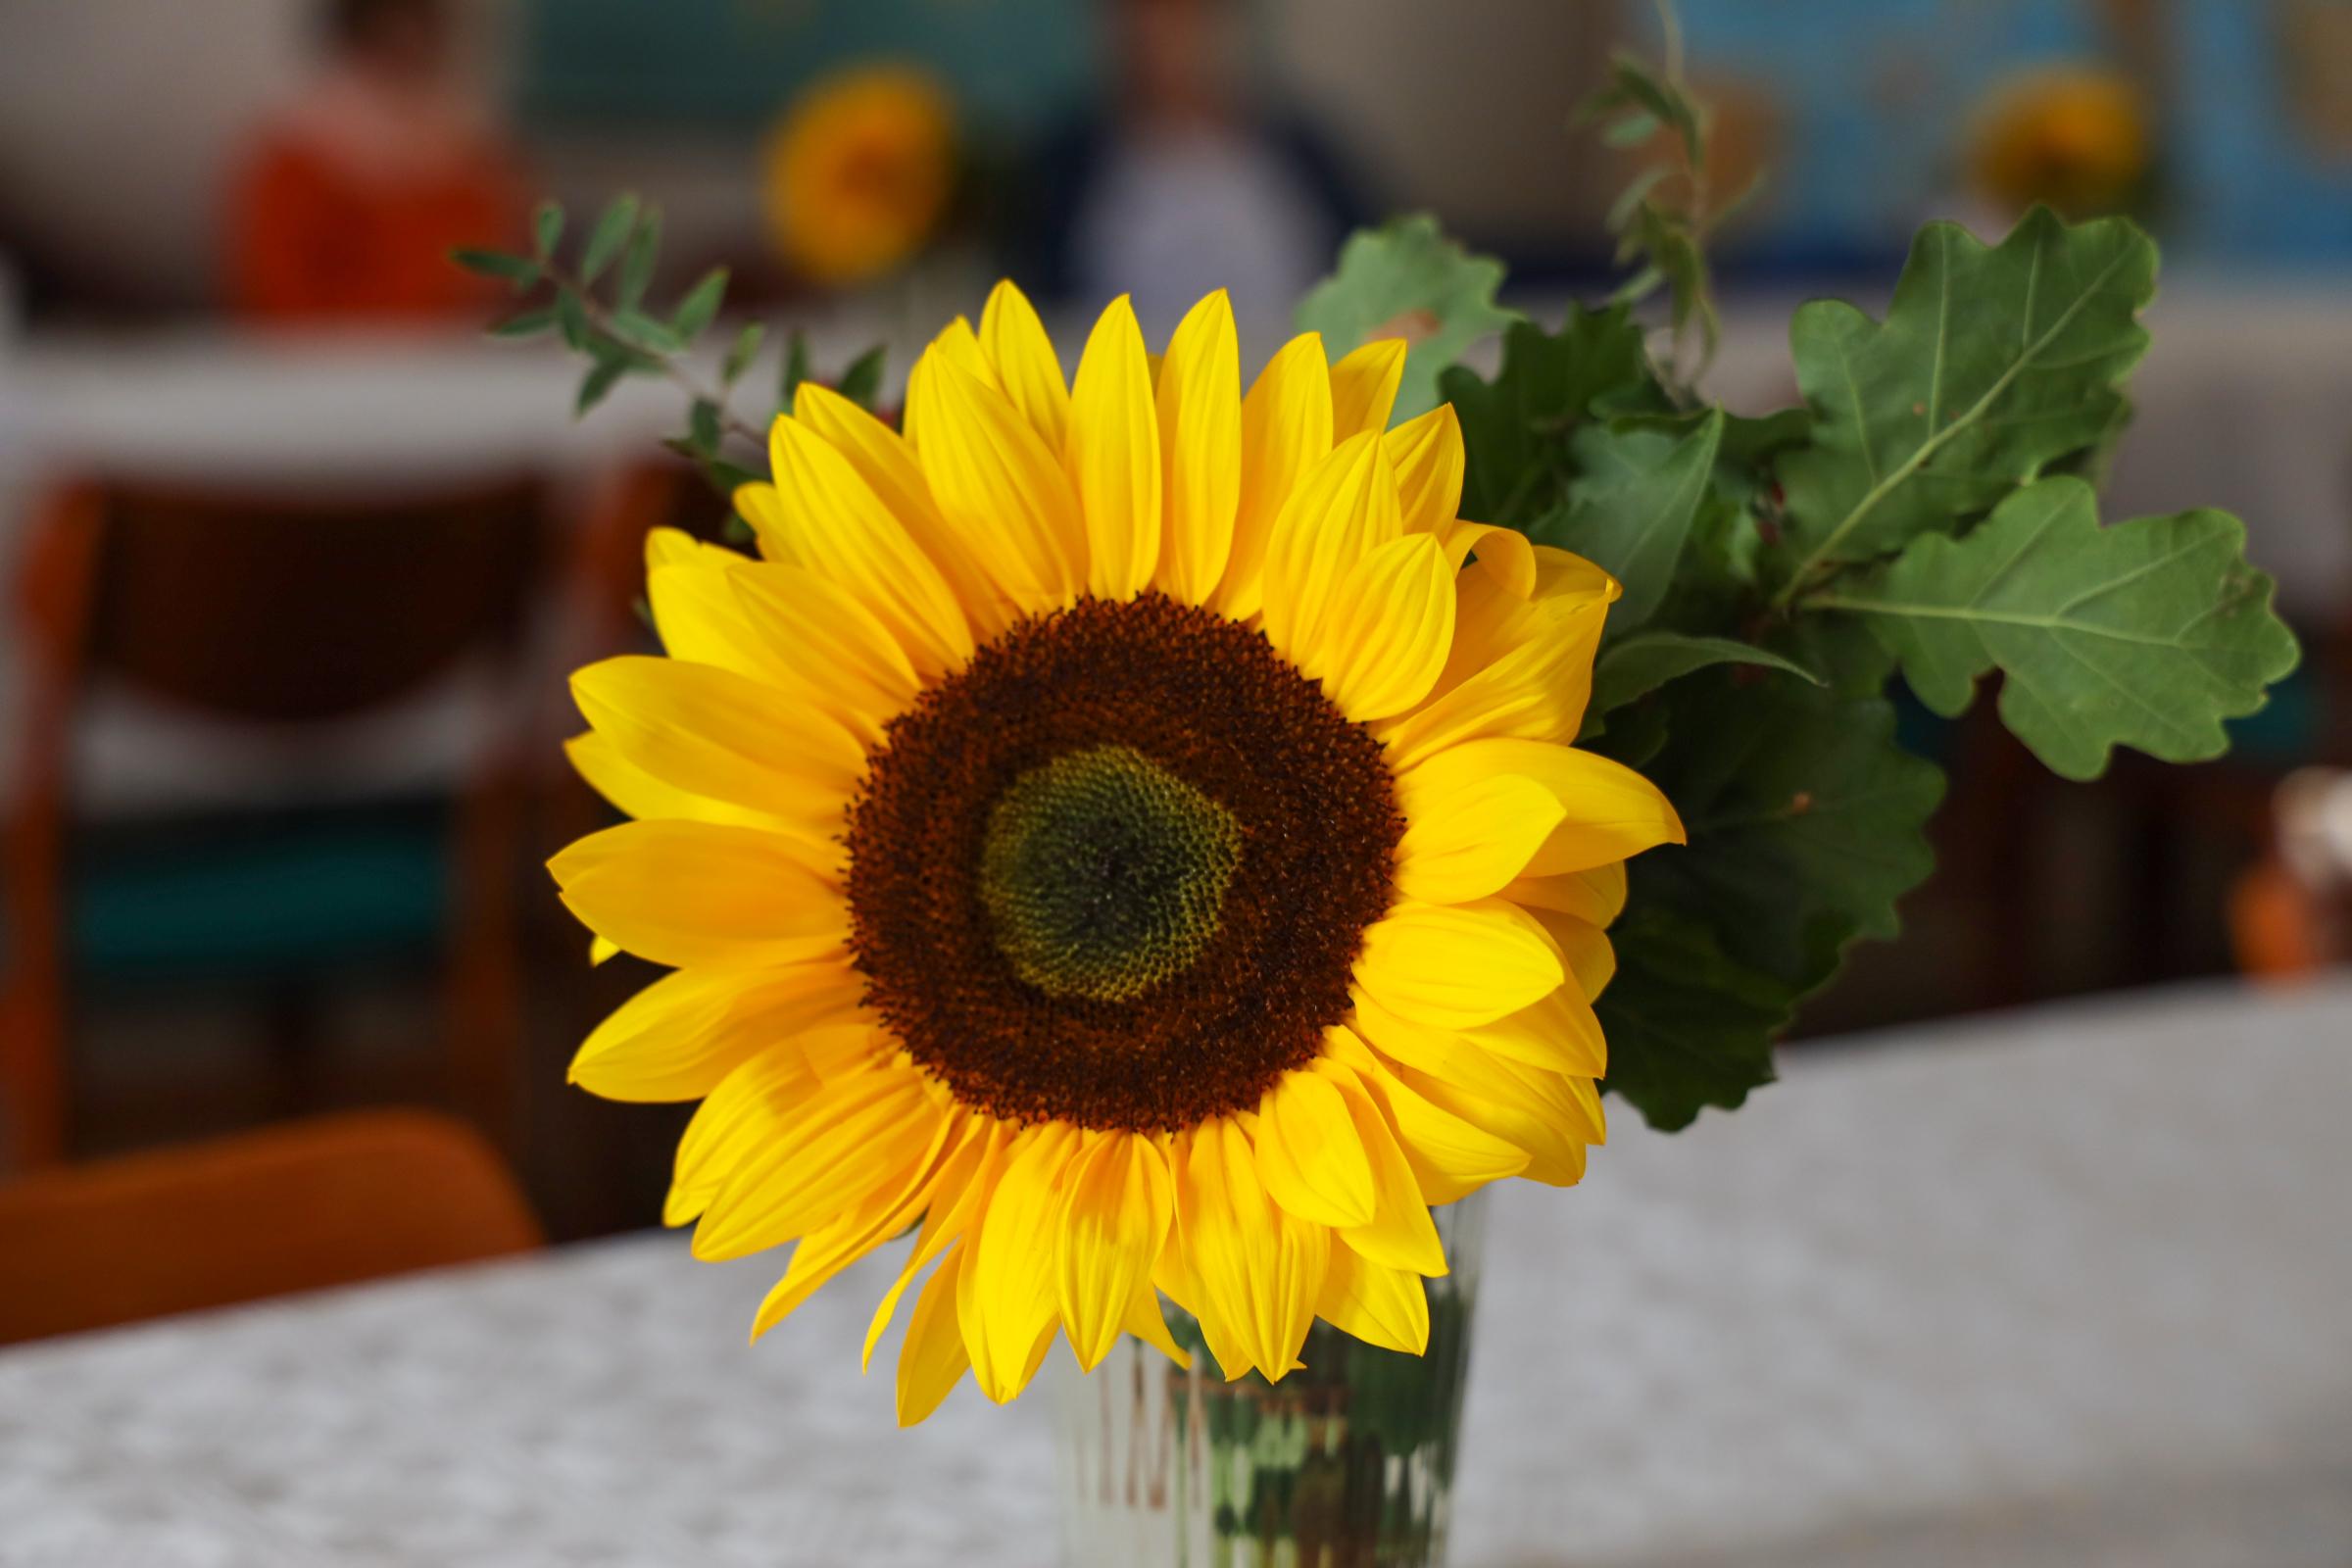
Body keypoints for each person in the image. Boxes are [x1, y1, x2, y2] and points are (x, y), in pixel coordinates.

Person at [1021, 0, 1369, 337]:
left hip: (1297, 364)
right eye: (1145, 15)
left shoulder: (1302, 153)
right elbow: (1042, 302)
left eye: (1183, 14)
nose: (1163, 38)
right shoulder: (1067, 166)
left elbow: (1377, 263)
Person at [226, 0, 521, 324]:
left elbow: (494, 281)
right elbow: (277, 297)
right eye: (385, 45)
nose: (403, 59)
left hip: (452, 350)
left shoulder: (469, 156)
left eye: (417, 48)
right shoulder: (294, 159)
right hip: (325, 350)